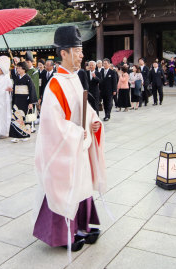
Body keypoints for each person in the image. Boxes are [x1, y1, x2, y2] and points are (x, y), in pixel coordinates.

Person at [33, 25, 106, 253]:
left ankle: (81, 226)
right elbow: (53, 126)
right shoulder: (54, 85)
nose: (82, 54)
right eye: (77, 49)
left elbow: (84, 108)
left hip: (78, 145)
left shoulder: (74, 78)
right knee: (67, 187)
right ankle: (63, 234)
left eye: (81, 49)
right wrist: (77, 134)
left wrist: (93, 121)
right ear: (63, 53)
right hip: (66, 148)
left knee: (81, 185)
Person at [12, 61, 37, 134]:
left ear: (24, 69)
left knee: (25, 117)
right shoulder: (16, 78)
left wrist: (31, 102)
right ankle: (18, 134)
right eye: (17, 68)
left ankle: (26, 133)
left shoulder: (28, 78)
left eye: (19, 68)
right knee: (17, 117)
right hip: (17, 100)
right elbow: (15, 89)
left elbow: (32, 90)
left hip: (25, 100)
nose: (18, 70)